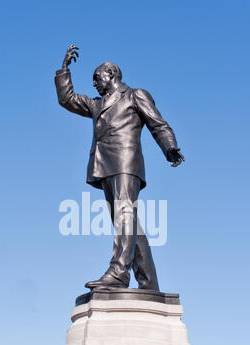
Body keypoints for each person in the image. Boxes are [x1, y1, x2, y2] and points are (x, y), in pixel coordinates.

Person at [55, 44, 185, 291]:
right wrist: (64, 71)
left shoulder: (136, 95)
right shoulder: (96, 105)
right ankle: (149, 282)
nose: (94, 84)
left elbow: (158, 124)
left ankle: (118, 272)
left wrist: (170, 147)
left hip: (126, 162)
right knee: (127, 221)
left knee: (125, 215)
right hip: (104, 165)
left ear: (111, 74)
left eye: (97, 78)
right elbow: (67, 99)